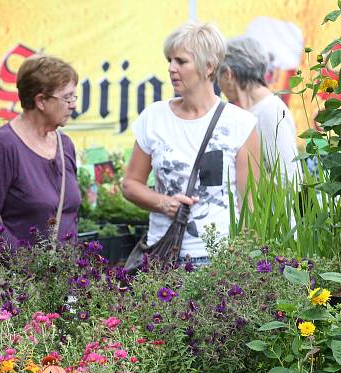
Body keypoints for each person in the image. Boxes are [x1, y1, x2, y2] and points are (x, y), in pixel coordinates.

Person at [121, 21, 260, 266]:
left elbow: (250, 203)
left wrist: (239, 261)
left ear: (208, 67)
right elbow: (131, 184)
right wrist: (163, 203)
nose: (172, 69)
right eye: (169, 61)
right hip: (162, 255)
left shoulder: (241, 123)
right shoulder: (153, 117)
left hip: (217, 260)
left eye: (181, 61)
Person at [0, 54, 81, 263]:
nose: (73, 105)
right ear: (40, 101)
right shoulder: (5, 145)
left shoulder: (65, 145)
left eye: (74, 97)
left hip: (64, 281)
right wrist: (25, 261)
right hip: (18, 285)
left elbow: (69, 216)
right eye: (67, 98)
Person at [218, 36, 300, 182]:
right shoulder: (250, 110)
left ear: (228, 74)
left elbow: (290, 176)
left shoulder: (269, 111)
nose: (218, 83)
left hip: (268, 205)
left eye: (218, 75)